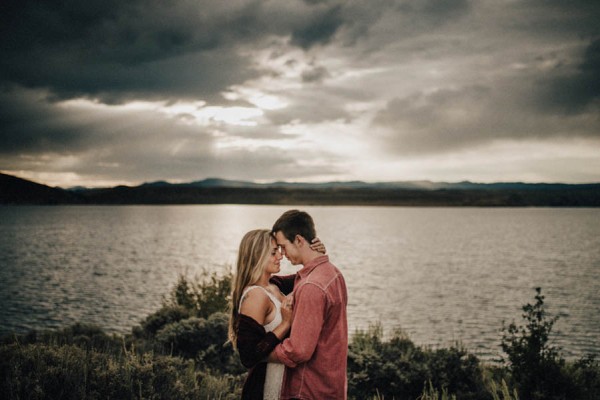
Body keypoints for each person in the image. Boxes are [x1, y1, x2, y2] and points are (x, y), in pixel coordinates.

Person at [228, 229, 325, 400]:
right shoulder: (255, 296)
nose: (280, 256)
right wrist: (285, 324)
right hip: (267, 387)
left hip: (288, 382)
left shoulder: (273, 284)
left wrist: (315, 254)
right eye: (274, 252)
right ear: (257, 255)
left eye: (280, 251)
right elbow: (248, 356)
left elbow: (308, 278)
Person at [269, 210, 348, 399]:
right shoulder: (333, 273)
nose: (282, 254)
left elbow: (299, 350)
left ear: (298, 240)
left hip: (308, 390)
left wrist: (262, 354)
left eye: (283, 246)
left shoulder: (311, 286)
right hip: (331, 386)